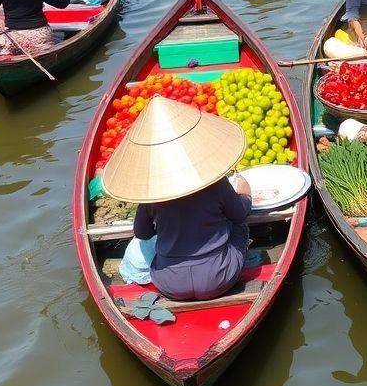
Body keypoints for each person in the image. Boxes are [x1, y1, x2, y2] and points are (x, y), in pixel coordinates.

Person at [103, 97, 255, 303]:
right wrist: (245, 193)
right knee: (240, 227)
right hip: (219, 278)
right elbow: (239, 214)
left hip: (169, 283)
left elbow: (142, 233)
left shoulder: (152, 193)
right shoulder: (215, 182)